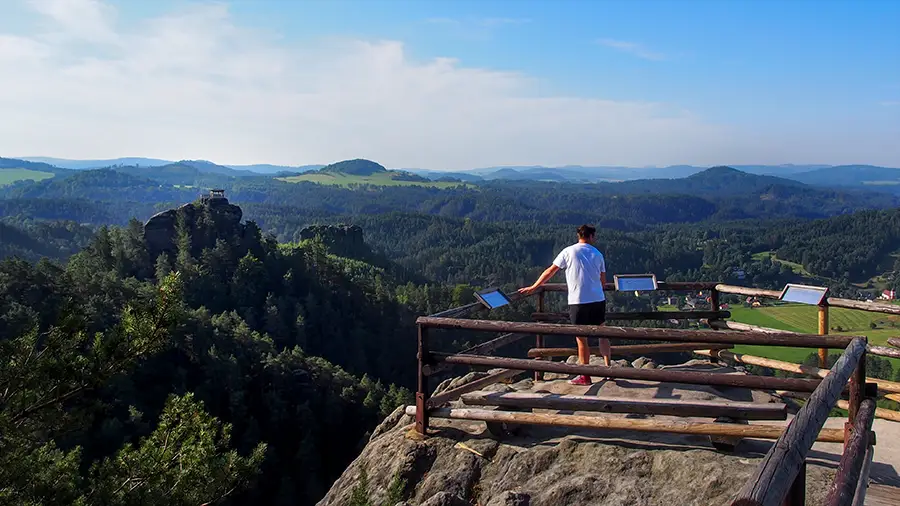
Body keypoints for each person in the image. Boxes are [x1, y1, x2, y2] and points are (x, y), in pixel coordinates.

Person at [518, 224, 608, 385]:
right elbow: (603, 281)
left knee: (581, 339)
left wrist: (534, 287)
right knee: (604, 334)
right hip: (598, 299)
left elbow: (551, 271)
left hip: (578, 300)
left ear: (578, 236)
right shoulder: (598, 254)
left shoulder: (568, 251)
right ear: (592, 237)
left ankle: (585, 376)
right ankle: (608, 370)